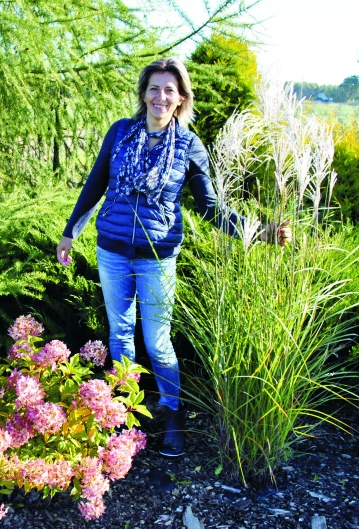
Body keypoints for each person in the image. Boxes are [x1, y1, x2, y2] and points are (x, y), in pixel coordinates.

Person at [56, 58, 291, 457]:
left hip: (157, 256)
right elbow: (95, 183)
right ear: (143, 93)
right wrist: (70, 231)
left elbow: (210, 207)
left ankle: (171, 414)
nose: (160, 96)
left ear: (181, 98)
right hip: (111, 250)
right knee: (120, 334)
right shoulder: (120, 132)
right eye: (154, 88)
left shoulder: (188, 144)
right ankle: (122, 413)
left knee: (157, 341)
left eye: (169, 90)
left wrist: (259, 232)